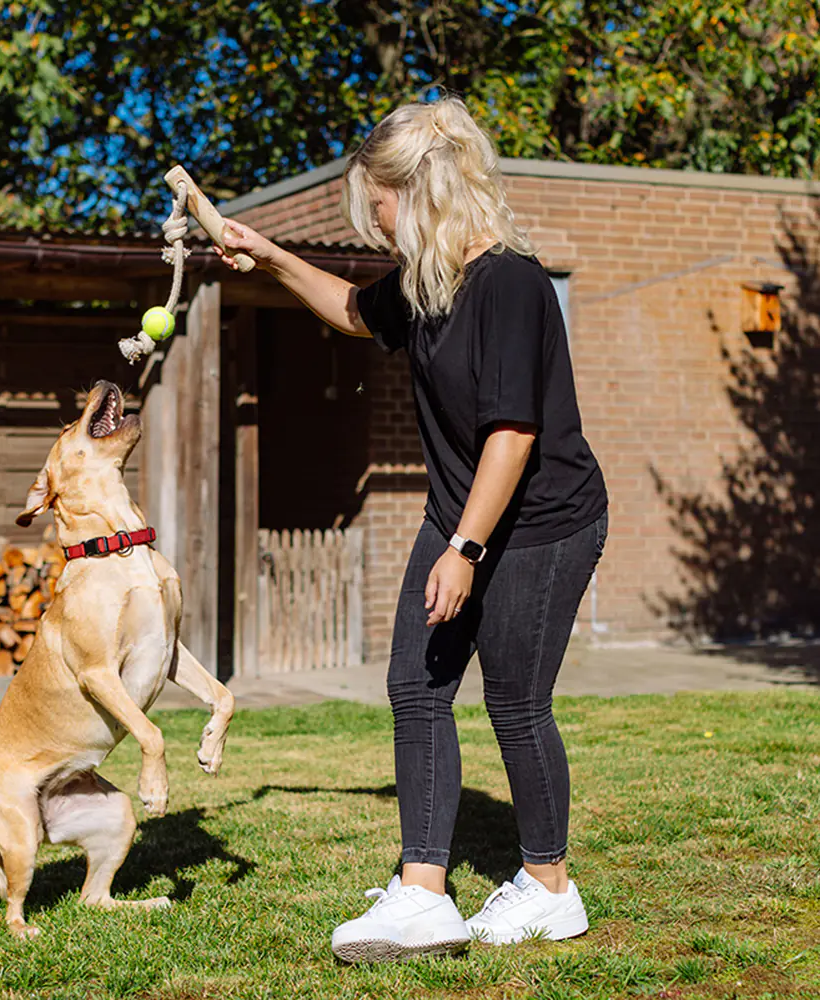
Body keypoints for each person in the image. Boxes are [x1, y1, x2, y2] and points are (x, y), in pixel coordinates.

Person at [214, 97, 609, 964]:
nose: (377, 220)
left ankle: (551, 888)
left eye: (380, 204)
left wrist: (464, 551)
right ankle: (424, 896)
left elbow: (514, 435)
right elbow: (356, 310)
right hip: (461, 512)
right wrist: (270, 256)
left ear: (418, 190)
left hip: (542, 524)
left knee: (515, 700)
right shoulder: (428, 286)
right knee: (417, 686)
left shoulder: (508, 281)